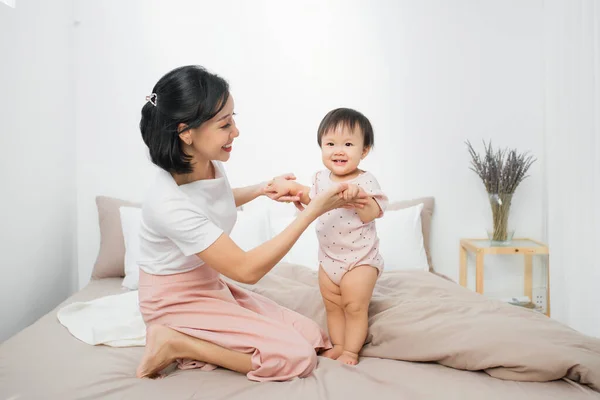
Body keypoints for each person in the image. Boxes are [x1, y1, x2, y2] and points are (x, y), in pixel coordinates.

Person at [135, 65, 369, 382]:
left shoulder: (202, 162)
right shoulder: (168, 204)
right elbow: (246, 270)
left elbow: (209, 201)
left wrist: (261, 189)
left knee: (312, 336)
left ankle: (192, 337)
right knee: (296, 358)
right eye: (225, 124)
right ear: (186, 132)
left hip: (209, 286)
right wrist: (314, 210)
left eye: (233, 118)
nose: (236, 131)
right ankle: (175, 341)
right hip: (175, 300)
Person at [270, 108, 388, 365]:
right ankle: (338, 344)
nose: (338, 150)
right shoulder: (320, 178)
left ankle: (351, 351)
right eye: (330, 144)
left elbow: (373, 211)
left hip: (360, 260)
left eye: (348, 144)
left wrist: (358, 198)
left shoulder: (366, 182)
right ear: (321, 146)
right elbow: (310, 198)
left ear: (364, 150)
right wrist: (291, 189)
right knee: (333, 306)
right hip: (329, 259)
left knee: (354, 307)